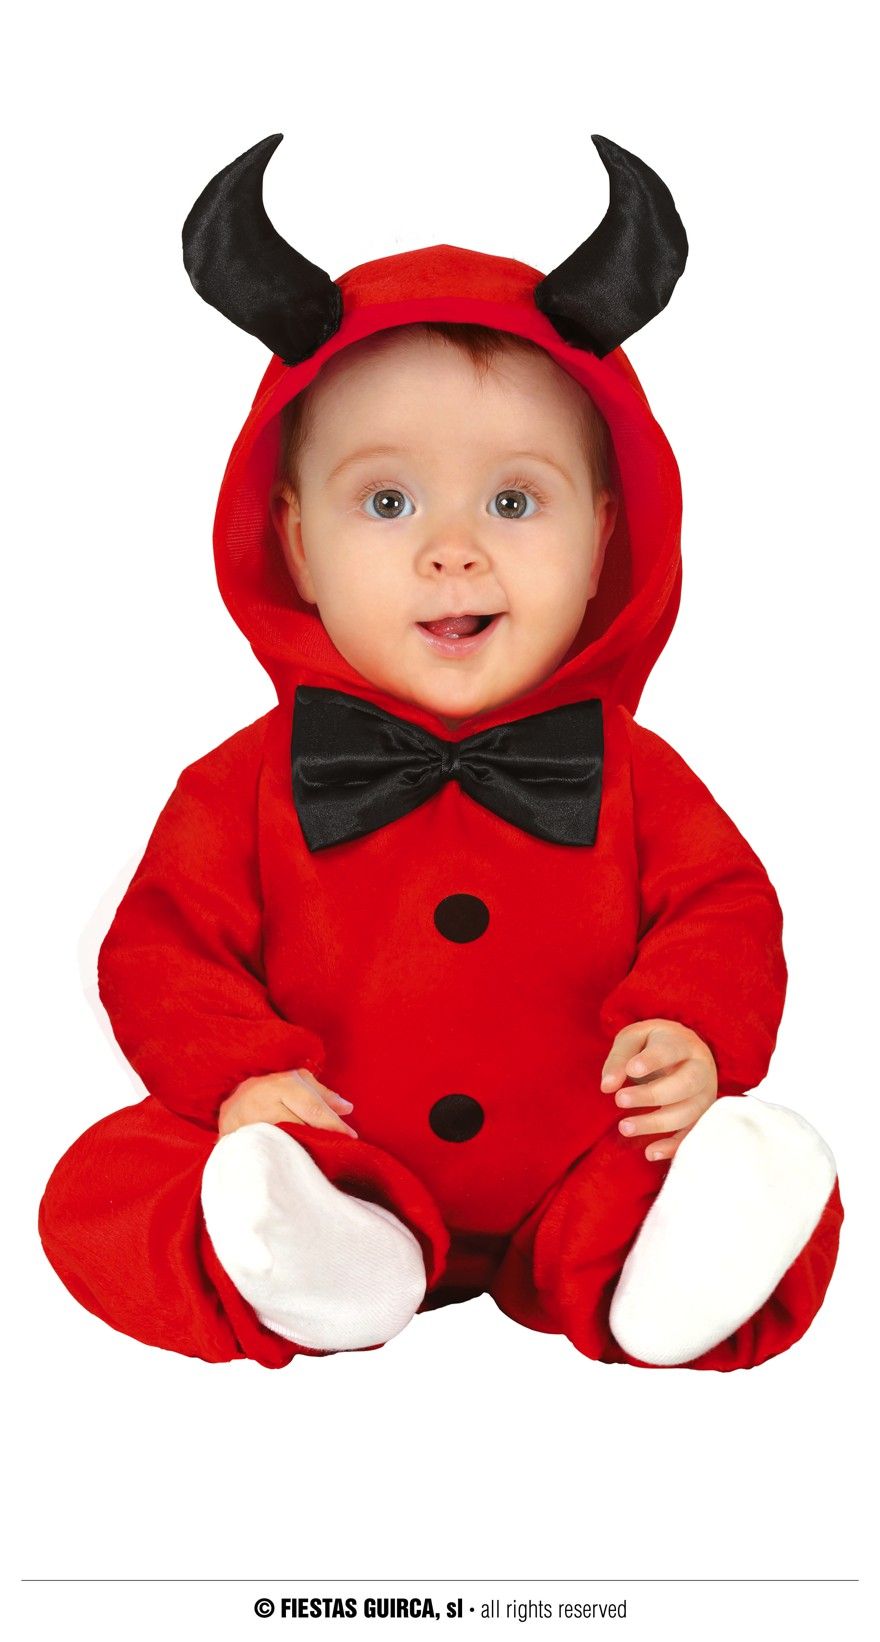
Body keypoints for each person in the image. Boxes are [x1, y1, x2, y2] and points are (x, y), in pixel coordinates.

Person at [39, 133, 842, 1370]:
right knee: (111, 1182)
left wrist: (691, 1031)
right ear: (294, 540)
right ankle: (327, 1254)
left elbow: (722, 911)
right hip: (326, 1149)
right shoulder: (237, 786)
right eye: (387, 502)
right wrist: (243, 1076)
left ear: (603, 539)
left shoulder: (641, 776)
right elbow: (163, 950)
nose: (451, 550)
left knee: (708, 1160)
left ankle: (657, 1268)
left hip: (577, 1157)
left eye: (514, 502)